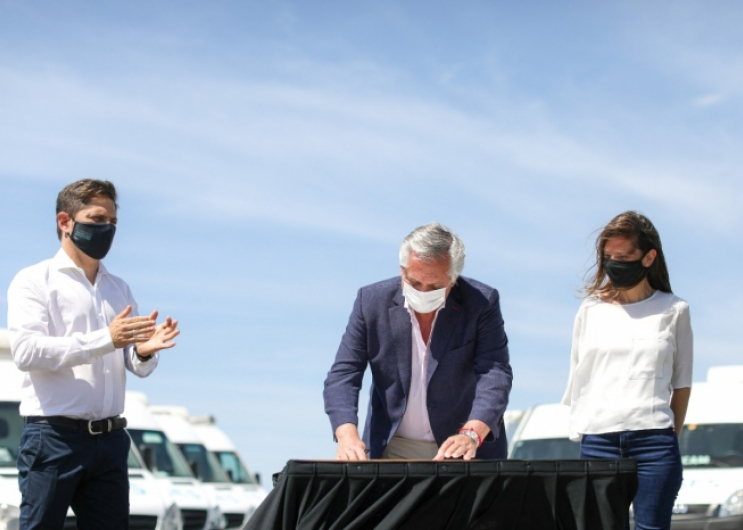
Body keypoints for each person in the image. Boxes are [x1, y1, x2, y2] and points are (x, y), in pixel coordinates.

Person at [7, 179, 180, 530]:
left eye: (113, 223)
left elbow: (130, 361)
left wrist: (143, 354)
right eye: (98, 219)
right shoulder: (33, 281)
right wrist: (105, 339)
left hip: (111, 441)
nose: (107, 229)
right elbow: (26, 352)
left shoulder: (119, 288)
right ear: (65, 221)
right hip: (52, 438)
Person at [323, 222, 512, 461]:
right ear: (403, 270)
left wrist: (472, 433)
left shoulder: (481, 303)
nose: (423, 292)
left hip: (463, 448)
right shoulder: (370, 302)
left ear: (453, 280)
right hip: (393, 447)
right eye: (414, 283)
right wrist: (347, 434)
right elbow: (344, 373)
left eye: (434, 286)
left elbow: (495, 373)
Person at [562, 211, 692, 530]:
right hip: (598, 441)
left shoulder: (675, 310)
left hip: (655, 442)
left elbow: (682, 383)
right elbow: (579, 376)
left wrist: (669, 441)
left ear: (648, 257)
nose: (615, 262)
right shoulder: (590, 310)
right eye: (609, 256)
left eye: (624, 255)